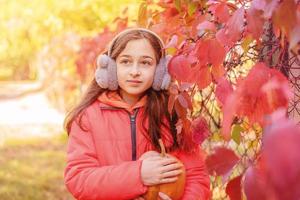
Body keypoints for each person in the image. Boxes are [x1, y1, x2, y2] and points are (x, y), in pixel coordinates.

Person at [63, 27, 210, 200]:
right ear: (110, 67)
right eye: (125, 61)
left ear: (160, 71)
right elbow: (79, 179)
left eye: (145, 63)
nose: (135, 71)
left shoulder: (172, 114)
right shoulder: (89, 116)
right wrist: (139, 174)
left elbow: (197, 175)